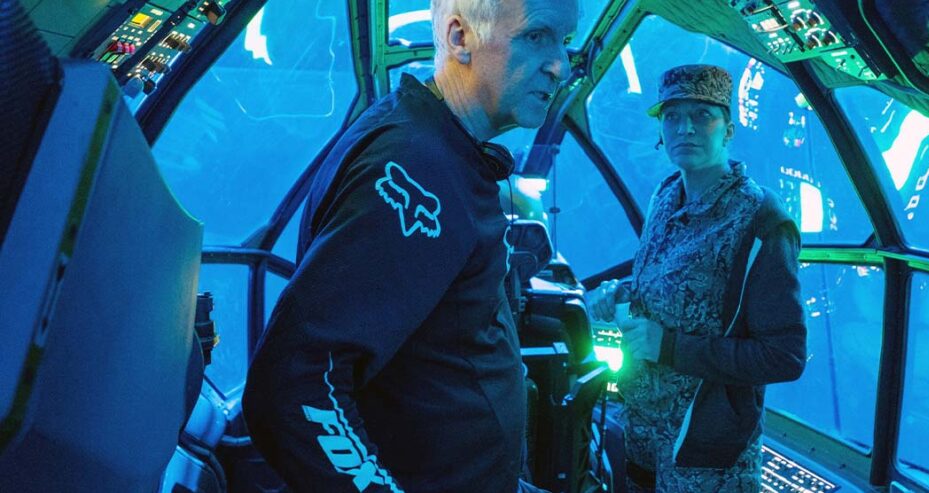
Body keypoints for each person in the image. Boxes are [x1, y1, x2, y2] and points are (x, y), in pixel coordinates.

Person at [241, 0, 577, 491]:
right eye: (537, 36)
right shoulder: (415, 168)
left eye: (565, 43)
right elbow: (296, 380)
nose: (560, 66)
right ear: (460, 37)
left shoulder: (446, 152)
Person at [588, 64, 807, 492]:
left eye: (702, 115)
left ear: (728, 130)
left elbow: (784, 356)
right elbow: (668, 291)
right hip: (642, 437)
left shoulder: (761, 220)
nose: (685, 128)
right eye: (672, 116)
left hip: (705, 457)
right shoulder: (666, 195)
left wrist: (669, 347)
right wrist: (620, 295)